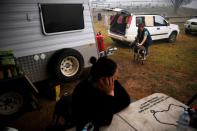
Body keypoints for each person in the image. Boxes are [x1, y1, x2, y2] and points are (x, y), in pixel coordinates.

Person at [72, 57, 130, 131]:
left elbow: (126, 99)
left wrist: (108, 106)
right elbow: (105, 120)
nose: (118, 78)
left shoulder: (109, 82)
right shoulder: (83, 93)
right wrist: (110, 93)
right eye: (115, 76)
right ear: (103, 79)